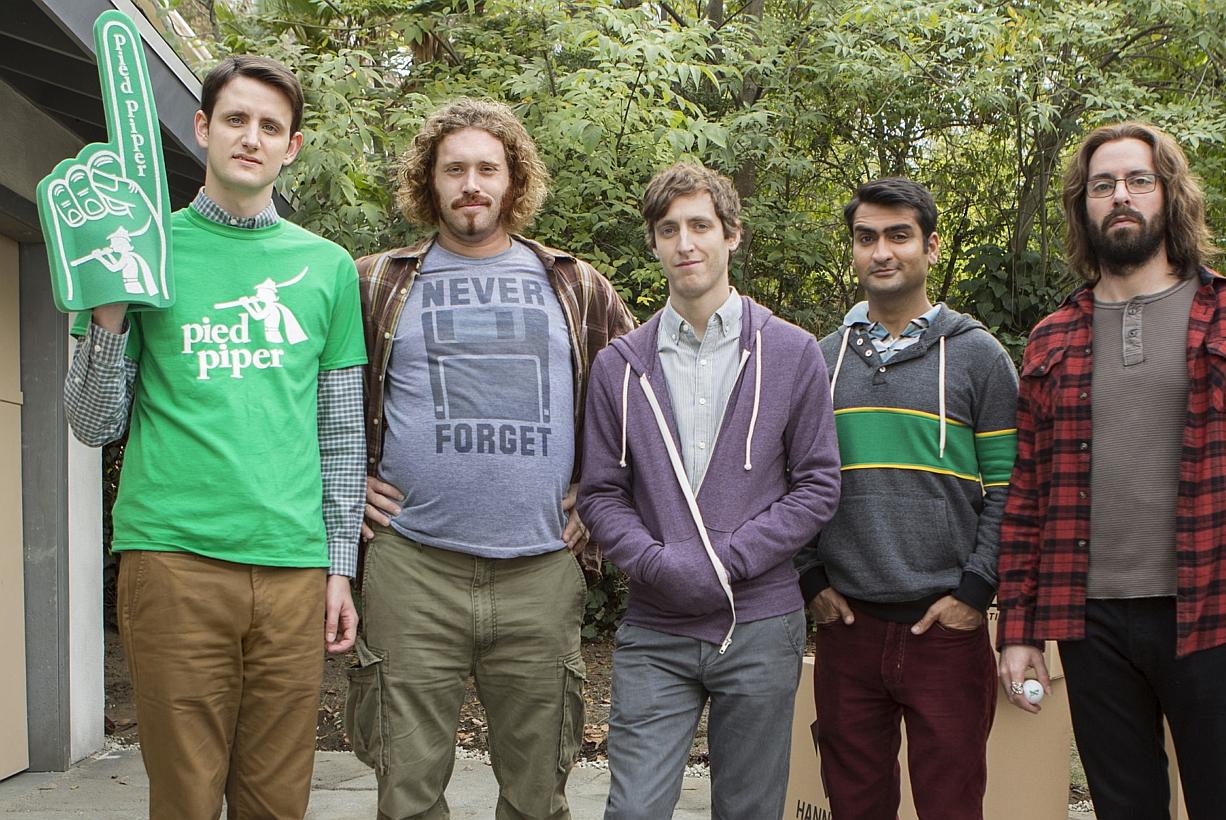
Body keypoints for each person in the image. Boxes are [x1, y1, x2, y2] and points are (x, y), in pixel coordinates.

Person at [995, 121, 1226, 820]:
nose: (1121, 195)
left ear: (1168, 195)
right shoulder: (1052, 337)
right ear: (1083, 206)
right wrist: (1019, 628)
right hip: (1088, 622)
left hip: (1211, 615)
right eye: (1103, 185)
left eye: (1138, 180)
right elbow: (1027, 498)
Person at [64, 54, 366, 819]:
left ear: (293, 146)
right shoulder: (139, 250)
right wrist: (109, 310)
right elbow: (93, 423)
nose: (251, 138)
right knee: (186, 798)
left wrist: (339, 567)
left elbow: (339, 434)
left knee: (277, 801)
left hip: (293, 568)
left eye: (270, 126)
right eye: (235, 119)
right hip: (174, 559)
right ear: (203, 128)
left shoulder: (327, 268)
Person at [346, 98, 634, 820]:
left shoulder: (576, 284)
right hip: (411, 568)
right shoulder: (374, 282)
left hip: (541, 569)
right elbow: (317, 398)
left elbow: (639, 401)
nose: (471, 185)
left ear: (514, 180)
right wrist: (345, 482)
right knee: (406, 793)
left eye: (487, 169)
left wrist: (604, 496)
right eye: (454, 170)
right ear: (429, 181)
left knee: (538, 796)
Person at [578, 162, 840, 819]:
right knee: (634, 810)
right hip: (656, 627)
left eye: (700, 226)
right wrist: (657, 563)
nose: (685, 243)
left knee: (749, 810)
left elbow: (817, 485)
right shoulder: (619, 366)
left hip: (760, 626)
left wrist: (728, 559)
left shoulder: (792, 352)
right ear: (653, 242)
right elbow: (601, 494)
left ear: (732, 235)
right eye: (669, 229)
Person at [794, 177, 1018, 820]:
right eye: (866, 238)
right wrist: (810, 579)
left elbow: (1010, 488)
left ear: (931, 247)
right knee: (855, 806)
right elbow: (791, 482)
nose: (882, 251)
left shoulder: (979, 358)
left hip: (945, 631)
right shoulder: (819, 360)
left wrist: (976, 591)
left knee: (952, 806)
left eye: (899, 236)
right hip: (848, 629)